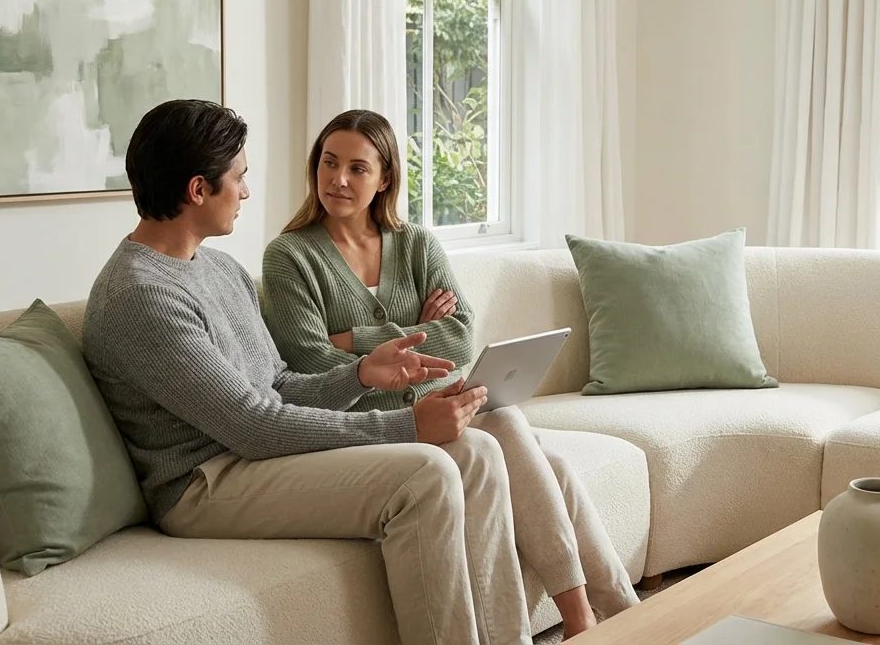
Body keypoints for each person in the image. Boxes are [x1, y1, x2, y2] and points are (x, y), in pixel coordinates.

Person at [82, 99, 532, 645]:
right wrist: (408, 426)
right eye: (240, 178)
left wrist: (362, 373)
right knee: (426, 474)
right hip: (203, 483)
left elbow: (279, 386)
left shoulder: (220, 268)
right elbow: (253, 425)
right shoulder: (142, 296)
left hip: (251, 454)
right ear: (199, 190)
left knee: (477, 453)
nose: (247, 193)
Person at [261, 109, 640, 639]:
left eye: (356, 168)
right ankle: (608, 614)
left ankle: (600, 616)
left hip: (439, 410)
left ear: (385, 178)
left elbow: (461, 335)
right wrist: (411, 329)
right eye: (328, 163)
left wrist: (354, 341)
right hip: (363, 433)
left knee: (523, 440)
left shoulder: (416, 243)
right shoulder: (289, 256)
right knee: (527, 446)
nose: (338, 180)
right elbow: (310, 361)